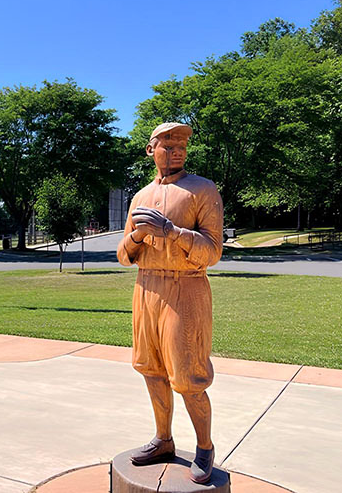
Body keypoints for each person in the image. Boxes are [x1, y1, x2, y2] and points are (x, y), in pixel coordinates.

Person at [117, 122, 223, 483]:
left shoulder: (202, 190)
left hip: (186, 289)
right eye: (168, 144)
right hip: (146, 288)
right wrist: (138, 234)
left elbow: (213, 251)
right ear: (151, 150)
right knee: (151, 368)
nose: (177, 150)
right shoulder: (140, 197)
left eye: (182, 145)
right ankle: (163, 439)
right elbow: (123, 255)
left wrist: (173, 232)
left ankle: (205, 447)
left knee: (189, 376)